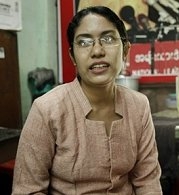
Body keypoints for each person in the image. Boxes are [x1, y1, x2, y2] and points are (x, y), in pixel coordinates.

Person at [12, 6, 162, 195]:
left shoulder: (139, 105)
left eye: (108, 39)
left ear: (125, 50)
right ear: (72, 56)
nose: (97, 51)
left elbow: (148, 181)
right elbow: (27, 190)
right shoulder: (47, 109)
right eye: (84, 42)